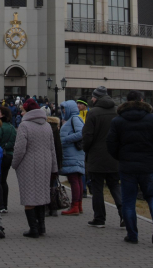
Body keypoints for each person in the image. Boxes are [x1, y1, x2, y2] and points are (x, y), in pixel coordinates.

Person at [107, 90, 153, 245]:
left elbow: (111, 144)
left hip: (127, 166)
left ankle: (132, 235)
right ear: (142, 100)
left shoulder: (118, 121)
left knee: (128, 201)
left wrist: (120, 157)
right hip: (148, 165)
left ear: (126, 101)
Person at [11, 98, 58, 238]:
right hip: (45, 165)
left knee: (29, 197)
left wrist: (14, 164)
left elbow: (19, 149)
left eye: (23, 110)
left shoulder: (24, 126)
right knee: (42, 196)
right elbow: (52, 149)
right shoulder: (47, 126)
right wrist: (54, 167)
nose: (21, 113)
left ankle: (33, 229)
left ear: (28, 111)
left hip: (28, 166)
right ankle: (42, 227)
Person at [82, 86, 123, 228]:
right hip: (114, 157)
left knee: (97, 188)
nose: (91, 99)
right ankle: (124, 215)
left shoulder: (93, 113)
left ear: (97, 97)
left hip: (96, 157)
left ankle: (99, 219)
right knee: (115, 186)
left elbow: (87, 136)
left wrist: (85, 150)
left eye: (93, 97)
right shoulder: (117, 112)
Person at [59, 100, 86, 215]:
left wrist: (65, 140)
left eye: (65, 108)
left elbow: (81, 133)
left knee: (74, 179)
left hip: (73, 154)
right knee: (77, 179)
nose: (63, 111)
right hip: (73, 154)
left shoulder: (75, 119)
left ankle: (75, 206)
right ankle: (78, 205)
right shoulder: (72, 119)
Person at [0, 107, 16, 213]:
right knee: (4, 181)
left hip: (0, 155)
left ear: (2, 115)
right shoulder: (12, 127)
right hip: (9, 155)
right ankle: (5, 206)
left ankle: (0, 205)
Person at [45, 115, 63, 217]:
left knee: (45, 185)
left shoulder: (44, 129)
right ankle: (54, 207)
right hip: (54, 159)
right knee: (54, 184)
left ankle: (46, 207)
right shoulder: (55, 129)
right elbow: (58, 146)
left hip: (45, 159)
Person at [76, 98, 90, 199]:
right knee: (83, 168)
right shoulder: (76, 116)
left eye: (80, 104)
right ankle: (84, 189)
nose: (78, 106)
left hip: (89, 143)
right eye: (77, 104)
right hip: (81, 144)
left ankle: (89, 184)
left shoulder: (89, 114)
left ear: (85, 105)